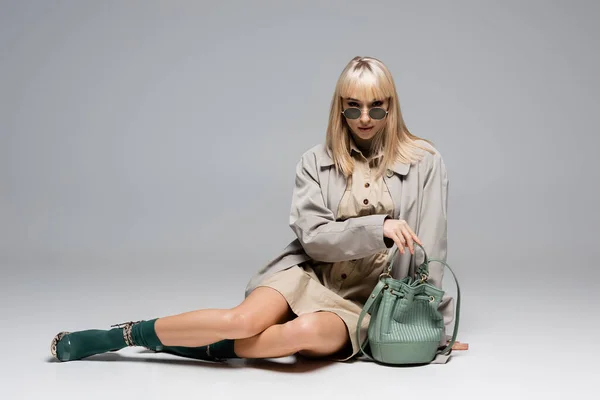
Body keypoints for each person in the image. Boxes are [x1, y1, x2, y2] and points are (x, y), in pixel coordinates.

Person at [50, 56, 455, 364]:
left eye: (376, 107)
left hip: (366, 301)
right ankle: (123, 336)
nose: (364, 118)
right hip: (308, 273)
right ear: (340, 108)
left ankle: (180, 340)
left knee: (298, 336)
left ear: (392, 106)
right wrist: (378, 227)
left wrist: (437, 330)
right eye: (353, 107)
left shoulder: (424, 161)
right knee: (239, 322)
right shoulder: (315, 161)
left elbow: (432, 247)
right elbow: (314, 239)